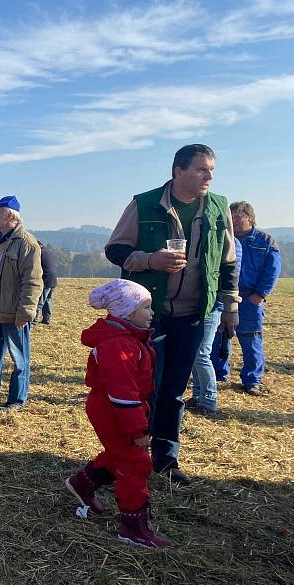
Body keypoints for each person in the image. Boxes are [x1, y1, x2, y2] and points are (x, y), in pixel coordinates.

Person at [105, 144, 239, 485]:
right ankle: (131, 454)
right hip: (151, 313)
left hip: (195, 313)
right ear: (177, 170)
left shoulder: (219, 208)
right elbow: (116, 249)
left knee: (175, 388)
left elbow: (227, 261)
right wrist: (151, 260)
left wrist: (230, 306)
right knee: (148, 385)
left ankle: (166, 459)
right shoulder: (144, 203)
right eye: (201, 169)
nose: (209, 176)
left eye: (211, 170)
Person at [65, 279, 171, 549]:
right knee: (135, 463)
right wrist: (137, 431)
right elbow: (122, 392)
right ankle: (133, 527)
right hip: (113, 410)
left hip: (118, 408)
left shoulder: (130, 339)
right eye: (146, 307)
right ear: (127, 311)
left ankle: (82, 483)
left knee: (118, 454)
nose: (151, 313)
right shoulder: (119, 345)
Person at [0, 196, 42, 411]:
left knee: (19, 359)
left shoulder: (27, 243)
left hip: (15, 314)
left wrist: (26, 312)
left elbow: (32, 281)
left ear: (8, 215)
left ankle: (16, 400)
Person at [210, 202, 281, 396]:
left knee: (251, 339)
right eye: (230, 215)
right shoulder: (223, 238)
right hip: (223, 297)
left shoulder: (265, 241)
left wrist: (261, 294)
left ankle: (252, 380)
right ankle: (217, 374)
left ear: (249, 217)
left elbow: (272, 270)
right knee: (219, 336)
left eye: (237, 215)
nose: (233, 219)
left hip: (250, 298)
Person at [189, 240, 242, 417]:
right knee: (195, 353)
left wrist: (228, 306)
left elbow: (229, 275)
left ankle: (209, 400)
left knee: (201, 354)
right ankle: (197, 396)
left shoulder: (230, 244)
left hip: (213, 305)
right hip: (198, 303)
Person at [33, 241, 58, 326]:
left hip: (46, 280)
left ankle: (34, 320)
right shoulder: (48, 252)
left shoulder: (40, 254)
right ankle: (46, 319)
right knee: (48, 300)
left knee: (39, 301)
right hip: (53, 280)